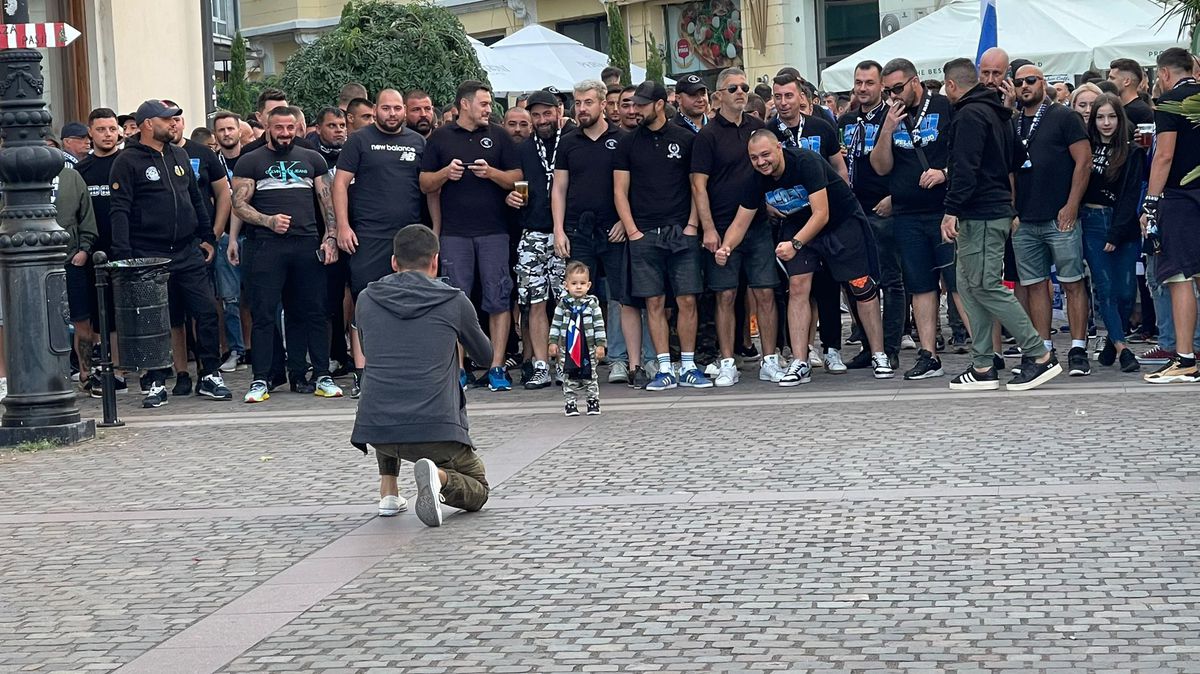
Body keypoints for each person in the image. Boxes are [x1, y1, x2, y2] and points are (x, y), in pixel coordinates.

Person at [351, 225, 491, 525]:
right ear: (435, 261)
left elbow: (368, 349)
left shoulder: (366, 298)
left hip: (378, 429)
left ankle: (388, 491)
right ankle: (438, 477)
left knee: (390, 377)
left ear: (393, 262)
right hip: (435, 430)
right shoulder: (454, 300)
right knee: (479, 489)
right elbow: (485, 356)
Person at [939, 58, 1061, 392]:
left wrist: (951, 210)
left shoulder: (968, 115)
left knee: (986, 285)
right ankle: (982, 365)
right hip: (990, 210)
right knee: (969, 286)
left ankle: (1039, 355)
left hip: (981, 213)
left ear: (951, 85)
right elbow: (1018, 158)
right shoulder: (998, 112)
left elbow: (965, 168)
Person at [739, 130, 892, 385]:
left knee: (861, 286)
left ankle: (879, 353)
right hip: (798, 223)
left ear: (779, 148)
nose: (761, 162)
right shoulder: (755, 178)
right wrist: (724, 248)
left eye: (765, 155)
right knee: (798, 286)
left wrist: (796, 244)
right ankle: (801, 360)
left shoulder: (805, 161)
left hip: (840, 222)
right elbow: (741, 221)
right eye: (754, 158)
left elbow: (821, 214)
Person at [108, 99, 232, 407]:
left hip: (188, 249)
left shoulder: (179, 154)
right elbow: (119, 210)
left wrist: (207, 236)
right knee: (154, 320)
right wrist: (124, 255)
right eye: (167, 120)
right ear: (149, 124)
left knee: (204, 311)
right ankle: (155, 382)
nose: (174, 124)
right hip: (148, 252)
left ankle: (209, 374)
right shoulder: (128, 160)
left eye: (176, 119)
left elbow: (195, 199)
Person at [231, 105, 343, 402]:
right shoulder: (250, 161)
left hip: (306, 245)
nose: (284, 134)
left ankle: (316, 374)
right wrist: (268, 220)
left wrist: (330, 237)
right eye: (278, 128)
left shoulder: (312, 158)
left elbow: (327, 202)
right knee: (264, 314)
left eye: (289, 128)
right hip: (265, 247)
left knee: (312, 312)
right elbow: (238, 204)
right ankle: (261, 379)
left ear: (298, 128)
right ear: (267, 126)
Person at [421, 80, 522, 391]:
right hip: (454, 234)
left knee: (498, 297)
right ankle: (459, 368)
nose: (489, 109)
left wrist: (491, 173)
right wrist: (444, 174)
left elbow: (518, 179)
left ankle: (496, 367)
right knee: (456, 300)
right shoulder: (439, 138)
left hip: (494, 232)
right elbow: (425, 183)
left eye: (489, 104)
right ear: (464, 104)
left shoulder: (499, 135)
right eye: (484, 103)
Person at [552, 79, 650, 387]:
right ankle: (578, 362)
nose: (582, 109)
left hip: (615, 229)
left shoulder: (623, 139)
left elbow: (634, 187)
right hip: (578, 229)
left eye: (588, 103)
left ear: (604, 103)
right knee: (576, 295)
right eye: (578, 103)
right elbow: (559, 188)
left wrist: (625, 220)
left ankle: (621, 359)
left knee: (622, 296)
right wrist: (558, 229)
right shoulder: (568, 142)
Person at [615, 80, 711, 391]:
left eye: (641, 104)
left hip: (681, 230)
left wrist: (693, 226)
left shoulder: (685, 138)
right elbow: (619, 190)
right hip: (644, 232)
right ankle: (664, 368)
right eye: (632, 104)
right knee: (653, 302)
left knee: (686, 299)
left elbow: (698, 186)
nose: (635, 109)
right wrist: (632, 231)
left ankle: (688, 364)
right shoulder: (628, 142)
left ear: (659, 104)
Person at [872, 57, 962, 380]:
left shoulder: (942, 106)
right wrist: (887, 129)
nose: (893, 96)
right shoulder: (889, 116)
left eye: (898, 88)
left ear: (915, 82)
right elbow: (880, 166)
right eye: (887, 91)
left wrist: (944, 173)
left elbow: (965, 155)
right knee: (920, 285)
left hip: (943, 209)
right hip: (908, 213)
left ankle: (983, 351)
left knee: (958, 283)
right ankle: (929, 354)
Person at [335, 89, 427, 397]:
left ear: (404, 111)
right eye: (386, 108)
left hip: (408, 236)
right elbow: (340, 184)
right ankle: (362, 373)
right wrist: (343, 227)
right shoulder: (359, 140)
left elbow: (429, 188)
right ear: (376, 110)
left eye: (397, 108)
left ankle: (405, 370)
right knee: (365, 302)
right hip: (368, 235)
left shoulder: (418, 142)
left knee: (410, 303)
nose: (392, 113)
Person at [693, 67, 781, 386]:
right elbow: (698, 186)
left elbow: (771, 168)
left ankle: (770, 359)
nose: (741, 92)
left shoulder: (758, 127)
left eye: (744, 86)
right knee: (725, 295)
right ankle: (728, 360)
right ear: (718, 96)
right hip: (722, 224)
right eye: (733, 88)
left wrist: (772, 203)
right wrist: (708, 229)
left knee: (765, 291)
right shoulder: (707, 135)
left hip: (757, 224)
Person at [1010, 64, 1093, 377]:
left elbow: (1083, 162)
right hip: (1025, 219)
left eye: (1031, 80)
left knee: (1072, 282)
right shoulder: (1015, 122)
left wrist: (1071, 204)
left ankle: (1078, 347)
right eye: (1019, 83)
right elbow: (1010, 171)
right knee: (1034, 287)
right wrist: (1013, 211)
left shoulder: (1063, 116)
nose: (1025, 86)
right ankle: (1042, 349)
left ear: (1043, 83)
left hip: (1060, 215)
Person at [839, 60, 907, 375]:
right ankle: (869, 347)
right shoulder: (847, 119)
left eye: (869, 82)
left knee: (892, 282)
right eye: (858, 82)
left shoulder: (893, 117)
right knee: (858, 282)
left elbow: (905, 163)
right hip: (853, 211)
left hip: (885, 210)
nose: (863, 88)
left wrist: (895, 198)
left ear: (881, 85)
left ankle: (889, 349)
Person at [1142, 48, 1200, 383]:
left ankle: (1185, 358)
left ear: (1164, 73)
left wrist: (1150, 201)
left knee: (1179, 277)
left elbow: (1163, 155)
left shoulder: (1169, 103)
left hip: (1179, 198)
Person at [504, 90, 568, 390]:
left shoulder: (571, 142)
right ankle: (541, 365)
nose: (542, 120)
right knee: (535, 302)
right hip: (531, 233)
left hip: (565, 233)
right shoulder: (522, 149)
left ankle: (568, 363)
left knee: (567, 302)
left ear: (559, 111)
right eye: (537, 115)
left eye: (547, 114)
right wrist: (511, 197)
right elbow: (516, 184)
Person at [1081, 94, 1145, 373]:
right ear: (1093, 120)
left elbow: (1131, 195)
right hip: (1092, 221)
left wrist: (1116, 233)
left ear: (1121, 119)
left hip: (1124, 226)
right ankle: (1123, 348)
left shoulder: (1131, 152)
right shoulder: (1084, 148)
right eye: (1100, 117)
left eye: (1112, 116)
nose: (1106, 123)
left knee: (1127, 292)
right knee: (1105, 288)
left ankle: (1110, 344)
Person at [76, 108, 128, 394]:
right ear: (90, 133)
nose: (107, 134)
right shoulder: (81, 171)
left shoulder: (127, 163)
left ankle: (120, 370)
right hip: (91, 252)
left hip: (123, 248)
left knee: (120, 311)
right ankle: (97, 368)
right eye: (101, 130)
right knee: (96, 313)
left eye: (112, 129)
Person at [56, 163, 99, 387]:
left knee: (82, 319)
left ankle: (86, 372)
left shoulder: (71, 177)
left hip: (72, 258)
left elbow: (87, 216)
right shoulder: (16, 175)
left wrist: (84, 249)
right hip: (31, 264)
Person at [549, 261, 607, 416]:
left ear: (588, 285)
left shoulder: (592, 305)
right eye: (574, 283)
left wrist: (601, 345)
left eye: (582, 283)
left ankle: (592, 401)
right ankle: (570, 402)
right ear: (566, 285)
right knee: (568, 375)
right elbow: (555, 324)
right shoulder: (562, 305)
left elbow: (599, 326)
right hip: (568, 348)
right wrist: (553, 342)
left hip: (588, 348)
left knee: (591, 375)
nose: (578, 287)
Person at [1108, 59, 1155, 126]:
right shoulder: (1120, 108)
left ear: (1127, 81)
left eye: (1112, 78)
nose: (1108, 81)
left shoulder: (1140, 111)